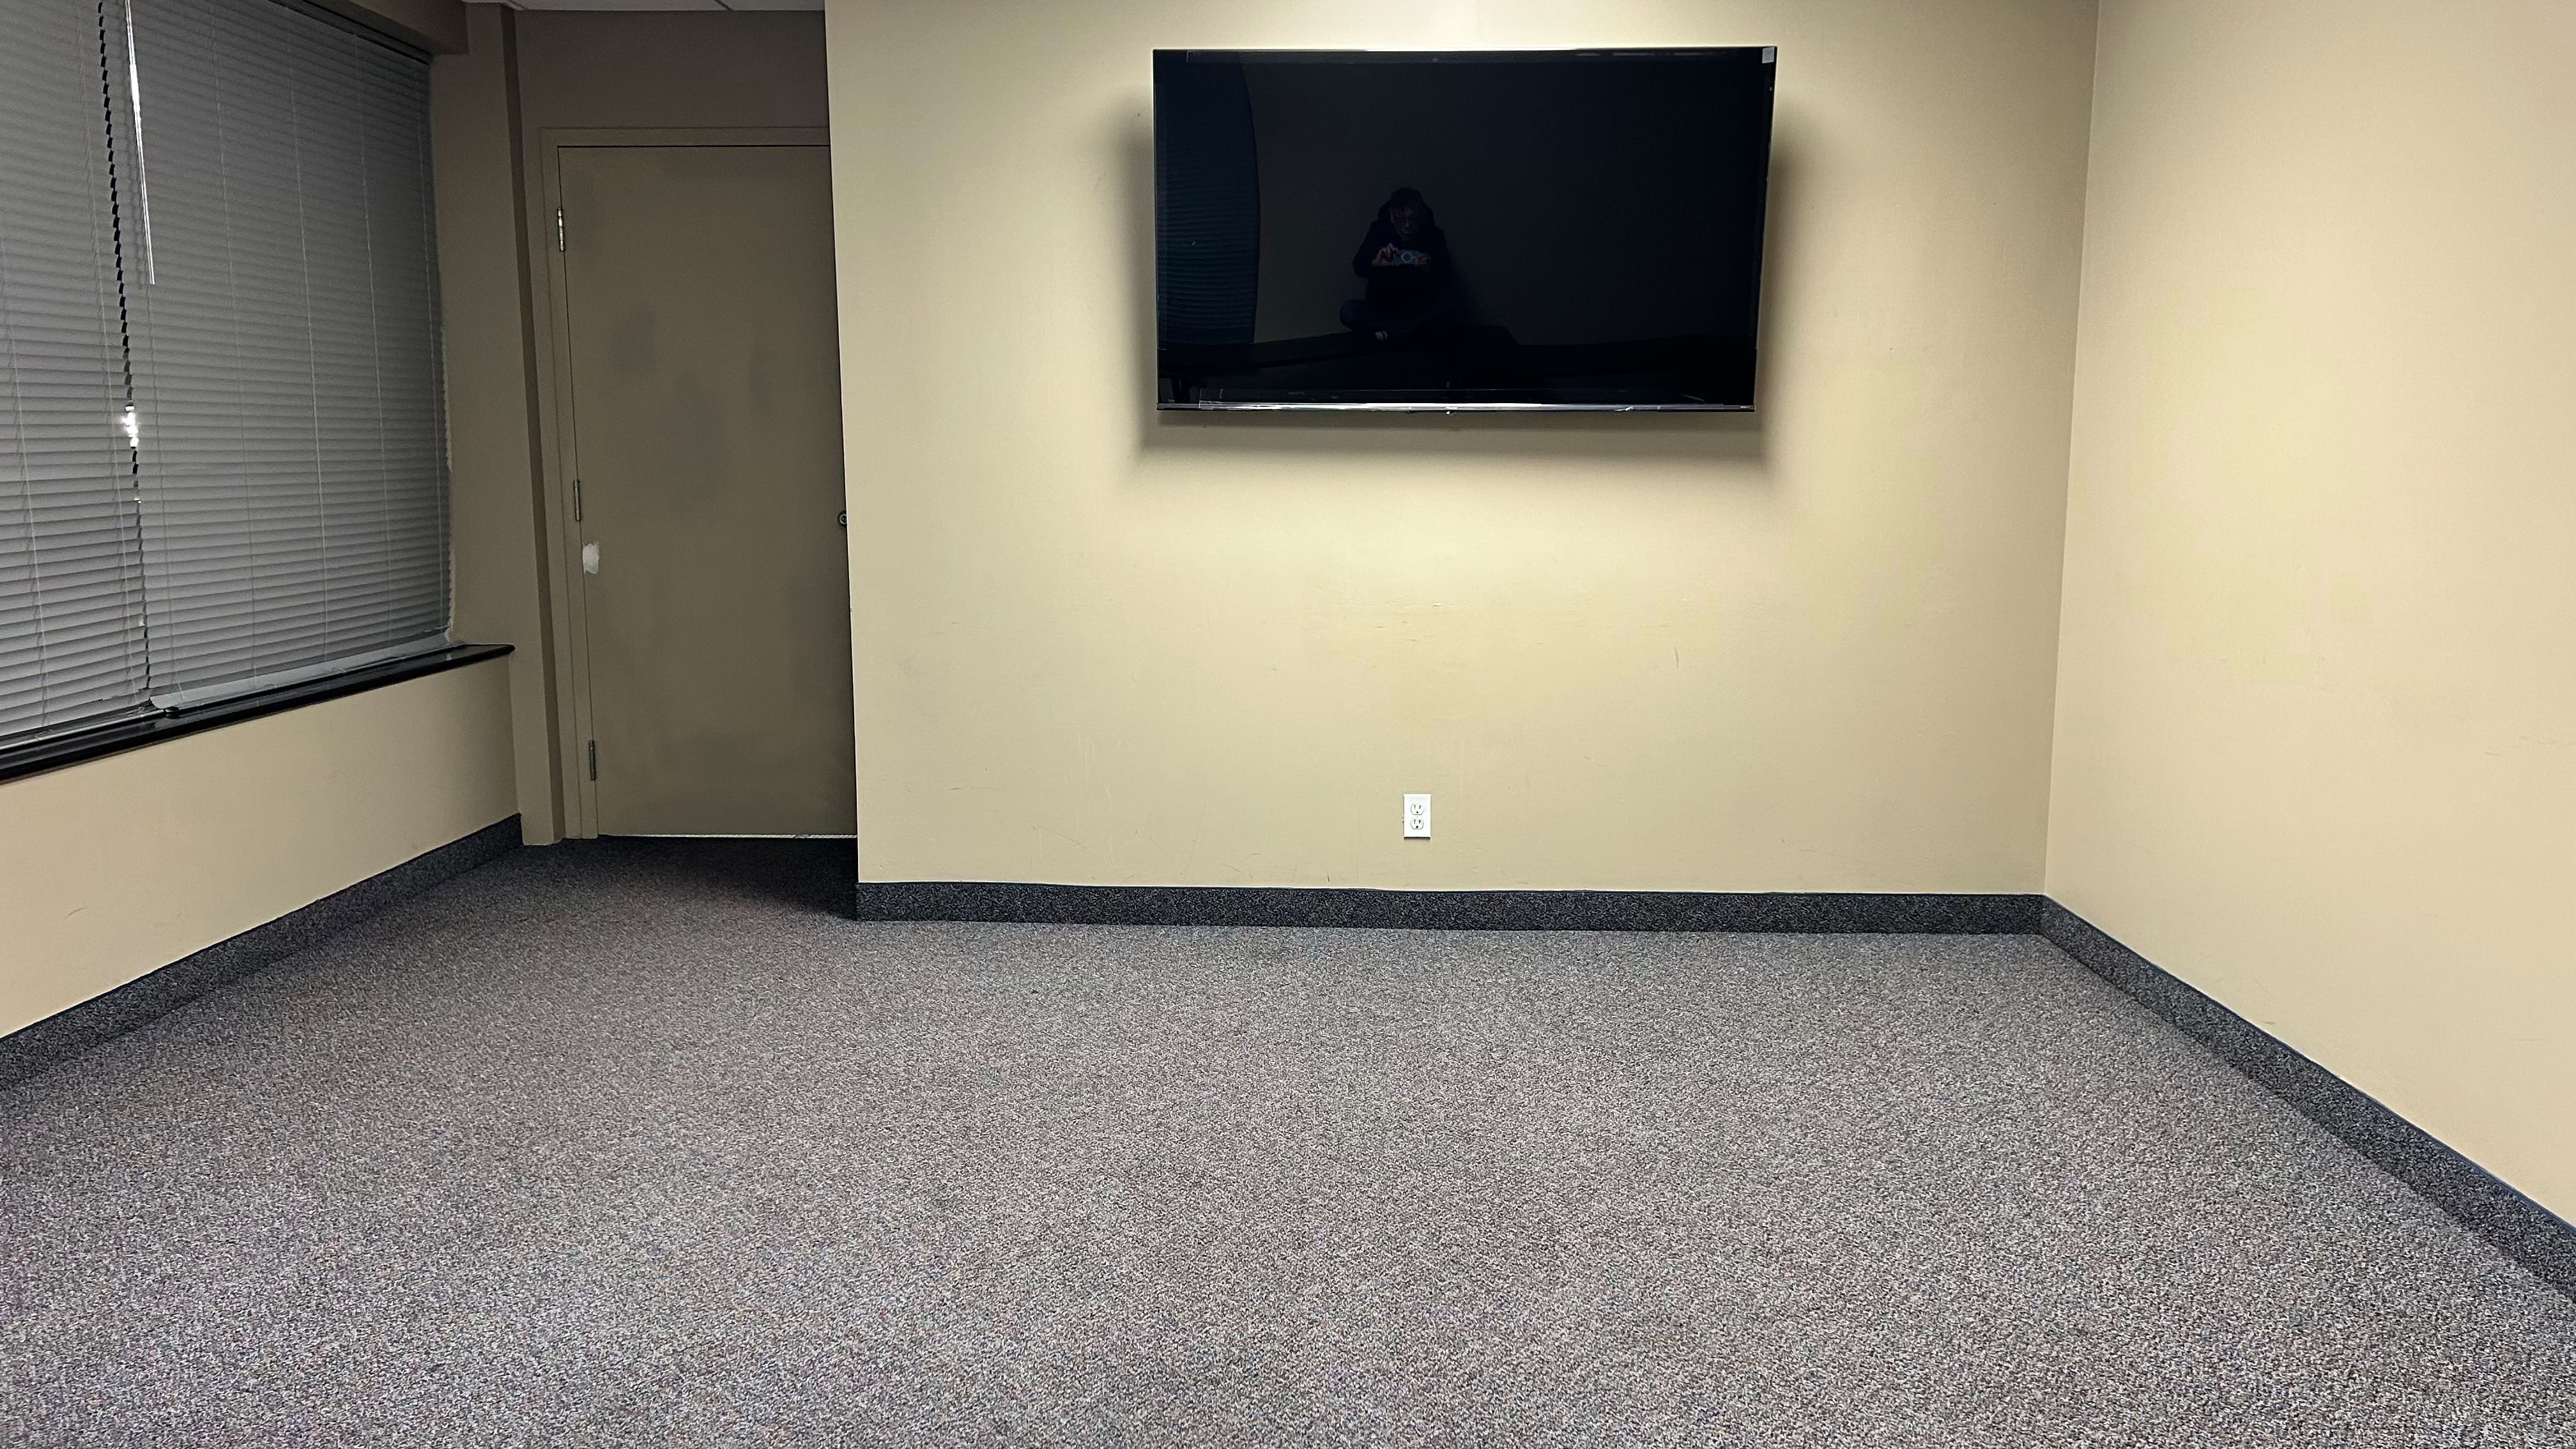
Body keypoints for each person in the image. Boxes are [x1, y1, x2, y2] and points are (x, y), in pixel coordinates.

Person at [1339, 187, 1452, 341]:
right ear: (1392, 216)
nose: (1407, 226)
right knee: (1349, 312)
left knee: (1450, 308)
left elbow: (1446, 275)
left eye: (1414, 220)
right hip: (1383, 309)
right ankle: (1403, 331)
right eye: (1402, 219)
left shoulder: (1432, 236)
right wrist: (1375, 263)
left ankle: (1393, 332)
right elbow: (1358, 266)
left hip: (1418, 309)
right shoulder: (1379, 232)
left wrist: (1429, 268)